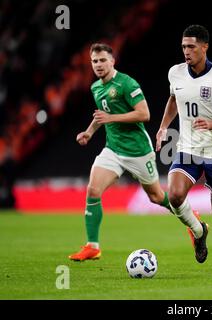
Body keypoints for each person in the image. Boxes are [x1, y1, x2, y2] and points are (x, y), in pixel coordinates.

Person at [69, 43, 176, 261]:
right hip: (113, 149)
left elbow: (144, 114)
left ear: (112, 61)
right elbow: (102, 115)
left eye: (102, 60)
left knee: (156, 196)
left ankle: (190, 218)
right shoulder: (95, 88)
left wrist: (111, 119)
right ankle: (93, 246)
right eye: (94, 61)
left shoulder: (127, 83)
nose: (98, 65)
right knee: (93, 190)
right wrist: (89, 132)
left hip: (138, 150)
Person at [156, 25, 212, 276]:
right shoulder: (176, 73)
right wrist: (163, 127)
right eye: (183, 46)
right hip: (187, 148)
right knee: (174, 195)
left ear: (205, 47)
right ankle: (198, 230)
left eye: (191, 46)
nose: (186, 51)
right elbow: (174, 99)